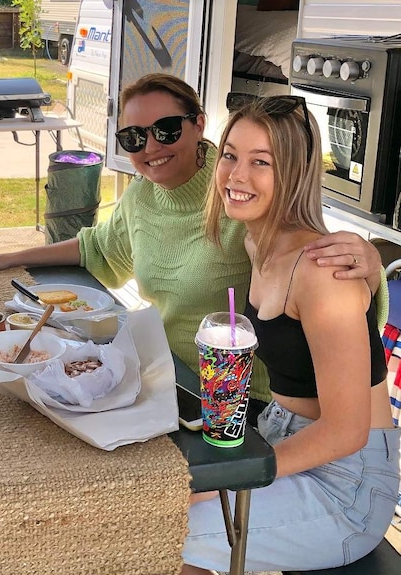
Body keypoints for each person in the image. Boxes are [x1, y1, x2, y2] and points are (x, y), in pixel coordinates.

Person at [0, 73, 385, 411]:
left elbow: (313, 263)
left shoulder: (241, 197)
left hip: (243, 398)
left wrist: (366, 267)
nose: (150, 147)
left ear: (199, 124)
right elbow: (97, 248)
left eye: (166, 130)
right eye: (133, 138)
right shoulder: (142, 194)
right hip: (166, 376)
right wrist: (12, 258)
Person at [181, 95, 400, 573]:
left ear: (296, 174)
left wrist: (238, 477)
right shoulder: (257, 240)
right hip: (280, 435)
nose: (236, 175)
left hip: (347, 484)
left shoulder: (322, 273)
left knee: (170, 527)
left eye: (261, 162)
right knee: (159, 500)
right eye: (230, 154)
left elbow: (347, 430)